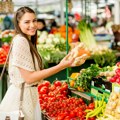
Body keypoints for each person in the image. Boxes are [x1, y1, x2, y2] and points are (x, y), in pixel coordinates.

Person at [0, 6, 86, 120]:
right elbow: (29, 78)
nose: (32, 25)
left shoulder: (26, 39)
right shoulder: (21, 41)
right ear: (18, 24)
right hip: (22, 99)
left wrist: (62, 63)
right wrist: (61, 66)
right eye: (27, 22)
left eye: (34, 20)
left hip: (28, 96)